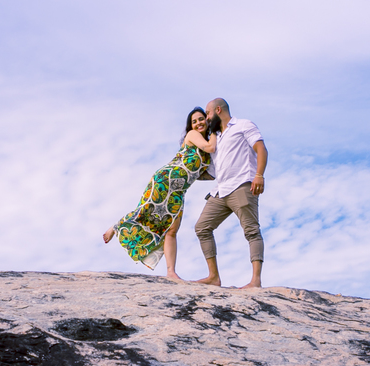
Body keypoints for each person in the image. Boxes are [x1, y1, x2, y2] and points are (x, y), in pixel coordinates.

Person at [103, 108, 216, 279]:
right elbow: (210, 147)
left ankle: (171, 272)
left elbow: (207, 174)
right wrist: (216, 127)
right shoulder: (193, 135)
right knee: (146, 211)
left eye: (201, 119)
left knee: (172, 230)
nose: (198, 123)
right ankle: (116, 226)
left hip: (179, 189)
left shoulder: (205, 150)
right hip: (165, 180)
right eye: (194, 121)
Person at [193, 98, 268, 289]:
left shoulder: (243, 125)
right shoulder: (216, 138)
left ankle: (255, 281)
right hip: (220, 191)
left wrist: (259, 175)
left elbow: (261, 149)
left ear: (218, 110)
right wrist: (185, 174)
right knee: (202, 227)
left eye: (208, 114)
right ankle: (213, 277)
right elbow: (212, 172)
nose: (207, 119)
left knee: (251, 231)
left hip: (242, 186)